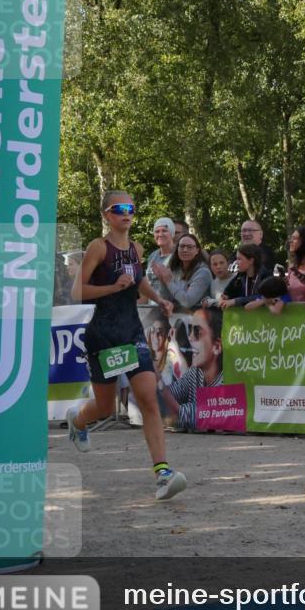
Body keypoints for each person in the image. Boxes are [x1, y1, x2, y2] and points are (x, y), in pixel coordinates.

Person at [66, 190, 186, 501]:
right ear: (107, 214)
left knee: (148, 398)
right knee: (105, 407)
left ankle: (163, 473)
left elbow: (138, 281)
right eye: (119, 208)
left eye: (131, 208)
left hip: (131, 331)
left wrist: (159, 298)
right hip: (103, 335)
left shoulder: (136, 248)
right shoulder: (98, 247)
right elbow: (77, 291)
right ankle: (78, 421)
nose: (126, 213)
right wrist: (111, 287)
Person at [162, 306, 223, 431]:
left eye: (197, 332)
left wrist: (157, 381)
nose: (190, 337)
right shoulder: (195, 372)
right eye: (190, 330)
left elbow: (183, 415)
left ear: (216, 346)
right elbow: (170, 396)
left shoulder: (227, 382)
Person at [154, 233, 212, 315]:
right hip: (177, 317)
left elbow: (187, 302)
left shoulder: (203, 272)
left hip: (199, 321)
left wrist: (168, 282)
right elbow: (166, 299)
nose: (185, 250)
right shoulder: (175, 270)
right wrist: (162, 280)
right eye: (182, 246)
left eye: (189, 247)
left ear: (197, 251)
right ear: (177, 249)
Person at [220, 243, 268, 308]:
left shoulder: (265, 275)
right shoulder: (240, 276)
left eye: (239, 259)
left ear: (251, 261)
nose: (236, 262)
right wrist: (225, 297)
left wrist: (235, 301)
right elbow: (228, 292)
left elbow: (265, 296)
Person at [144, 217, 175, 302]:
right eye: (157, 231)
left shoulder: (179, 255)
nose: (160, 234)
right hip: (152, 307)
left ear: (172, 233)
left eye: (164, 231)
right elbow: (148, 285)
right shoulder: (152, 256)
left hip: (173, 307)